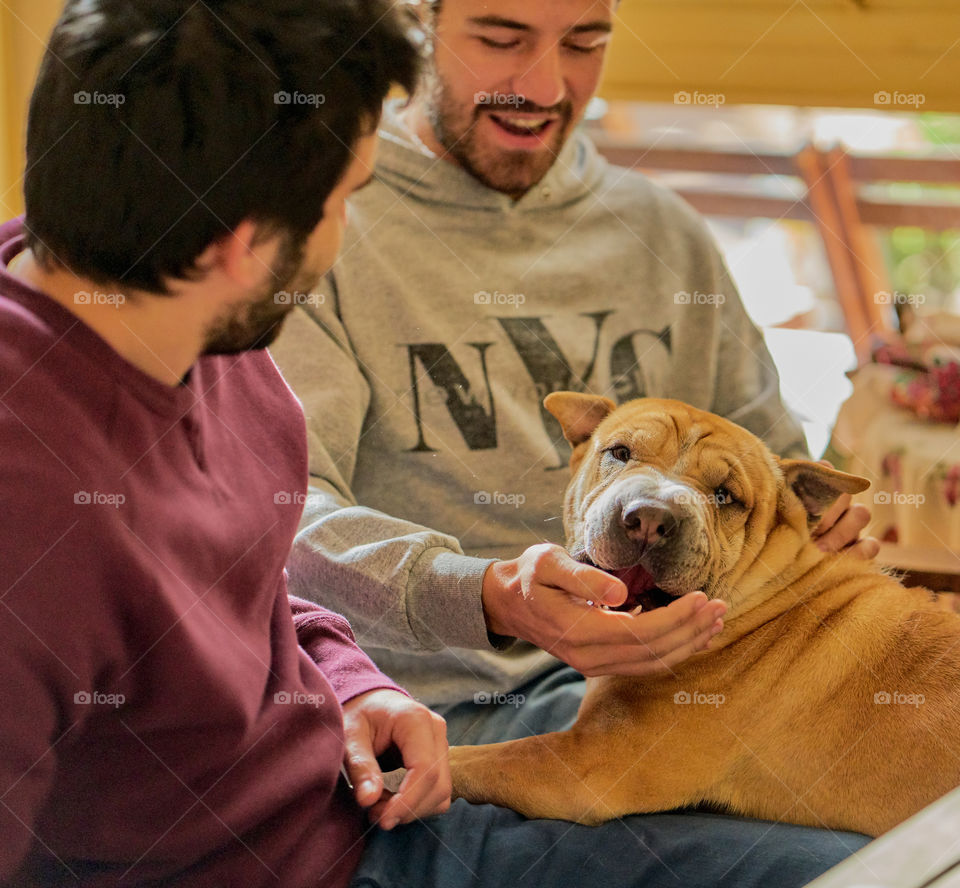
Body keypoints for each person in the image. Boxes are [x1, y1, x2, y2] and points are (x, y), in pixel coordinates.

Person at [270, 0, 876, 884]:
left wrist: (818, 538)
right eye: (499, 37)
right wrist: (481, 595)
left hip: (687, 695)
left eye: (585, 42)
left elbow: (774, 470)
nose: (546, 87)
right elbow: (280, 520)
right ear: (413, 25)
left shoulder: (665, 235)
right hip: (430, 720)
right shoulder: (323, 226)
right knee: (849, 871)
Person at [0, 1, 453, 885]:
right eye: (345, 200)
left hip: (357, 813)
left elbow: (242, 590)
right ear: (244, 247)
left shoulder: (164, 294)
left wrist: (350, 677)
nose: (343, 236)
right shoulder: (28, 512)